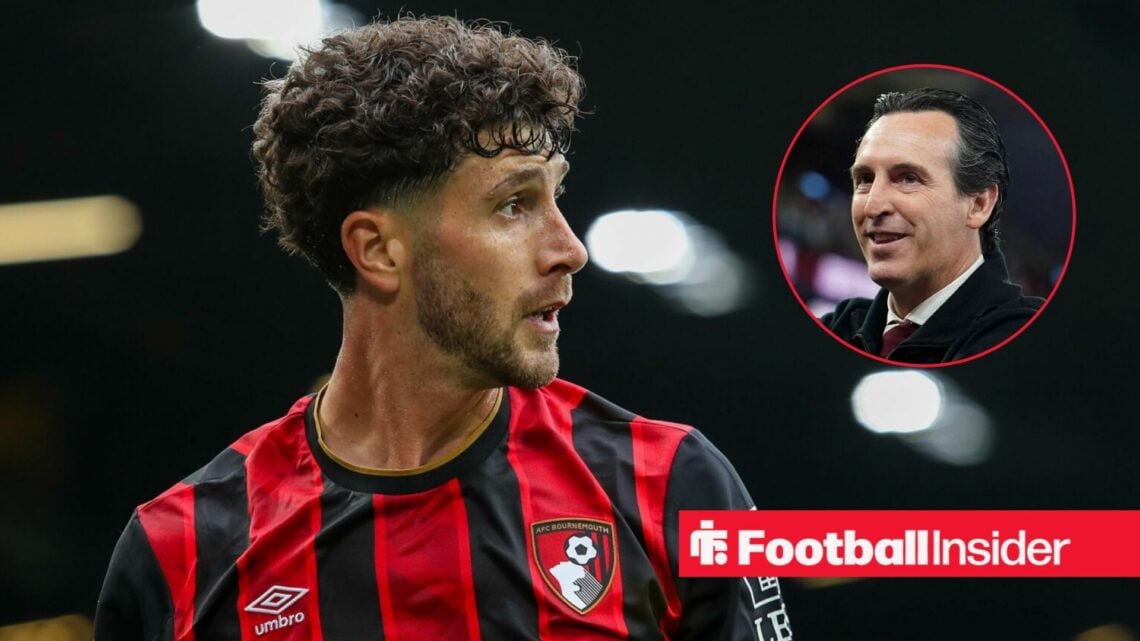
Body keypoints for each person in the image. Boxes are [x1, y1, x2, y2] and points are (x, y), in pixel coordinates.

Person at [93, 16, 791, 641]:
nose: (569, 248)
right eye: (514, 204)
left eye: (556, 196)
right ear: (378, 250)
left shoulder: (674, 486)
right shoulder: (179, 552)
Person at [821, 87, 1043, 363]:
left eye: (908, 178)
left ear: (979, 204)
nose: (872, 207)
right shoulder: (836, 327)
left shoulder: (1028, 339)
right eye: (865, 179)